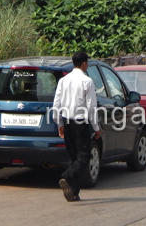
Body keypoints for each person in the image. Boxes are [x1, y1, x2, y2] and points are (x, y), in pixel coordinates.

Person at [53, 52, 101, 202]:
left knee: (73, 157)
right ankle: (67, 176)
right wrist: (96, 127)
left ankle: (73, 192)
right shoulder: (87, 81)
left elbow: (56, 104)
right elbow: (91, 107)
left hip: (67, 121)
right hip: (80, 122)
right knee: (84, 156)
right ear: (84, 64)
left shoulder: (63, 80)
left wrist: (59, 123)